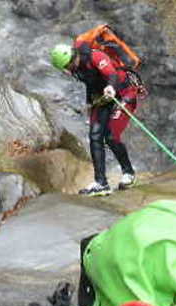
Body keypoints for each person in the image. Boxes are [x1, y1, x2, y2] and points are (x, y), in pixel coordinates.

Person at [50, 40, 141, 197]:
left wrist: (111, 87)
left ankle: (129, 173)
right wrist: (90, 104)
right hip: (102, 98)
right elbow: (90, 84)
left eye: (68, 66)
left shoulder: (95, 56)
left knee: (111, 136)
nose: (68, 70)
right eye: (65, 68)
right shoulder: (76, 69)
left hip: (124, 93)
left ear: (73, 57)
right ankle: (101, 183)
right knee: (95, 135)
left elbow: (111, 74)